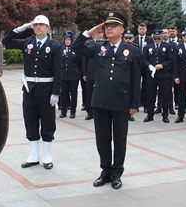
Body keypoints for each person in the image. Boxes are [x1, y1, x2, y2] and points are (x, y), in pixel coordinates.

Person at [71, 11, 142, 190]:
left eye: (113, 26)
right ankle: (105, 172)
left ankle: (117, 173)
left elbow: (136, 79)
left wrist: (134, 104)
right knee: (102, 139)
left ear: (122, 29)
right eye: (106, 26)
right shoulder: (98, 47)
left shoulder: (132, 50)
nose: (108, 29)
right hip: (100, 100)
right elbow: (75, 47)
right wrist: (90, 32)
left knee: (119, 139)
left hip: (121, 101)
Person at [3, 15, 62, 169]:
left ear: (47, 27)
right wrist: (21, 28)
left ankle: (47, 155)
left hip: (47, 90)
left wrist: (56, 92)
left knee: (48, 122)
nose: (38, 27)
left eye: (41, 25)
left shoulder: (54, 46)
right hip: (30, 90)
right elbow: (6, 41)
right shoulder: (28, 43)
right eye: (35, 25)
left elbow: (58, 71)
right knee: (30, 120)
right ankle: (34, 155)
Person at [143, 30, 173, 123]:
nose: (157, 40)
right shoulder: (148, 47)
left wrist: (162, 65)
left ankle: (165, 115)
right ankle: (150, 114)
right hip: (151, 75)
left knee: (164, 95)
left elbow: (170, 59)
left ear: (161, 38)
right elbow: (144, 59)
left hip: (163, 74)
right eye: (155, 38)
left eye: (158, 38)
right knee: (150, 95)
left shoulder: (167, 46)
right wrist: (149, 66)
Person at [82, 29, 106, 121]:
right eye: (96, 33)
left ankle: (99, 110)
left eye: (99, 33)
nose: (97, 34)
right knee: (89, 92)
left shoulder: (105, 44)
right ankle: (90, 111)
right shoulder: (88, 44)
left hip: (101, 72)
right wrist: (84, 73)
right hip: (90, 71)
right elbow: (84, 60)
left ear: (103, 34)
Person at [59, 31, 82, 119]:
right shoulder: (62, 49)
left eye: (69, 39)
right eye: (66, 39)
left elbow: (79, 63)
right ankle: (63, 111)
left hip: (73, 75)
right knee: (64, 93)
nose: (67, 41)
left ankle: (73, 111)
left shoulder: (76, 50)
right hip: (64, 75)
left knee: (73, 93)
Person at [136, 23, 153, 110]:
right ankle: (137, 103)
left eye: (143, 29)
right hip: (136, 64)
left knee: (146, 85)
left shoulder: (150, 39)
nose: (141, 30)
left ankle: (146, 104)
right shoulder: (134, 39)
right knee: (136, 84)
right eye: (140, 28)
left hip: (146, 64)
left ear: (146, 29)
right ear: (138, 29)